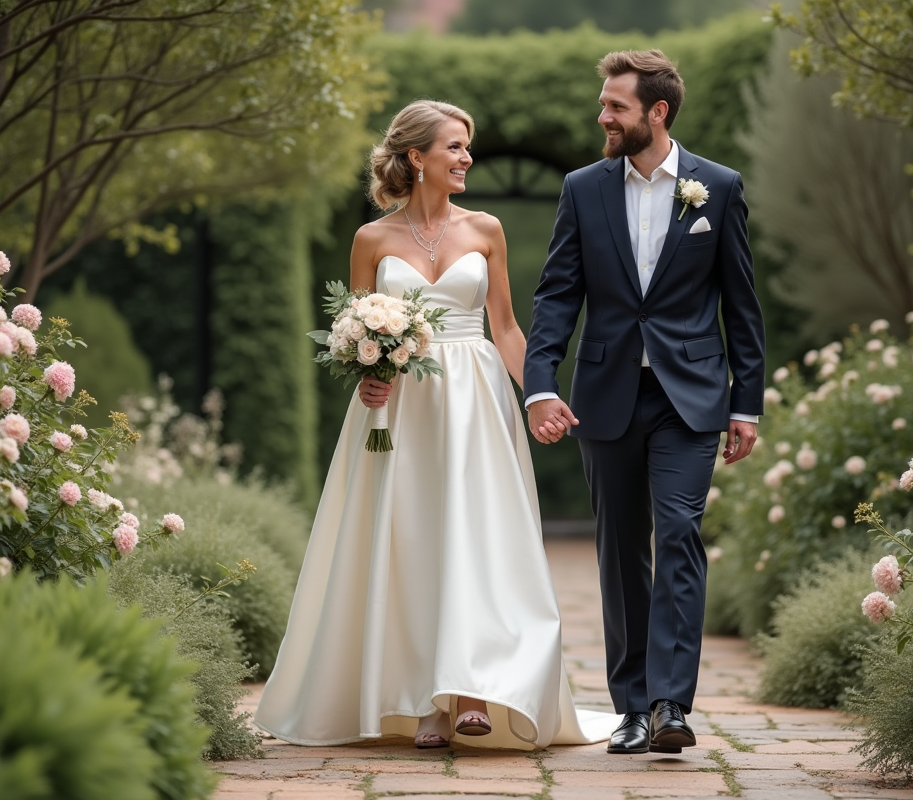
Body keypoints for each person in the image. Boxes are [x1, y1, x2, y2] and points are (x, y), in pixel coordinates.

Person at [254, 99, 617, 750]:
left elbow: (505, 327)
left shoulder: (486, 229)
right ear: (415, 156)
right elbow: (354, 330)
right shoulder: (371, 240)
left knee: (475, 536)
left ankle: (472, 689)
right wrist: (365, 374)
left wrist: (539, 395)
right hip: (397, 408)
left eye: (467, 146)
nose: (466, 157)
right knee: (409, 540)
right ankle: (424, 702)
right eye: (454, 146)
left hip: (476, 403)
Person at [523, 50, 766, 756]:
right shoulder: (583, 188)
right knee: (621, 550)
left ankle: (669, 706)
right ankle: (630, 707)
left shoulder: (717, 187)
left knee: (680, 533)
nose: (603, 116)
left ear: (657, 112)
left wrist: (746, 403)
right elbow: (557, 293)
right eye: (604, 104)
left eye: (616, 106)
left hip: (690, 398)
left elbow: (741, 304)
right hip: (607, 394)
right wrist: (540, 383)